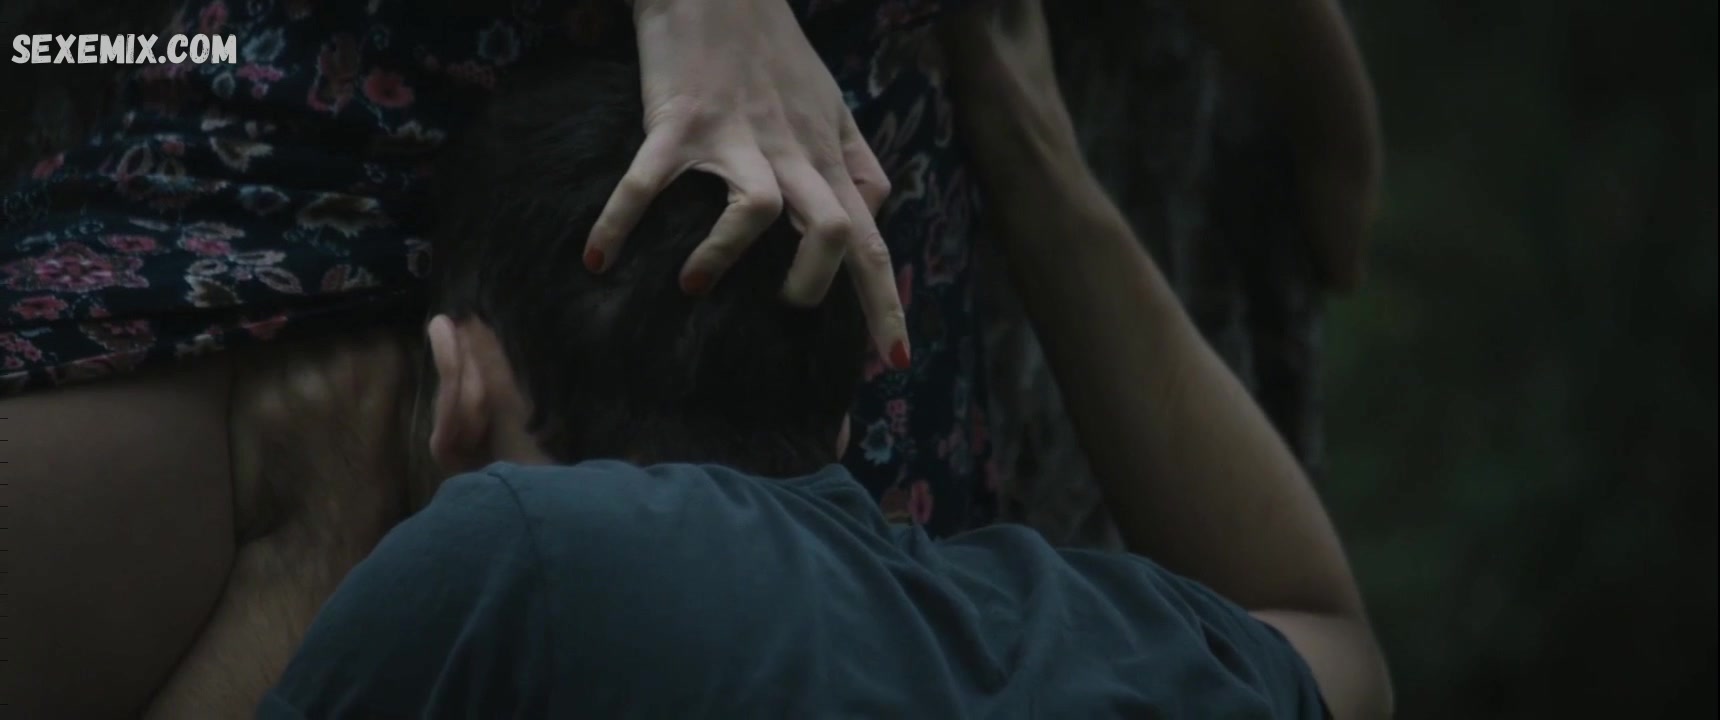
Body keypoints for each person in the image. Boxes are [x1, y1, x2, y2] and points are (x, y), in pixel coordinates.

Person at [261, 6, 1392, 716]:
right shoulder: (1084, 651)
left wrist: (315, 541)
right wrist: (1034, 147)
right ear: (849, 413)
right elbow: (1330, 636)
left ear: (460, 383)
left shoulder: (505, 563)